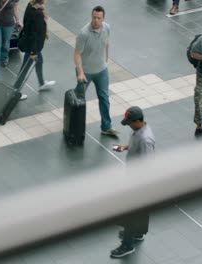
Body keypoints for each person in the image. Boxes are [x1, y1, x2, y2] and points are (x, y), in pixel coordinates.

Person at [111, 106, 155, 258]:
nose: (128, 125)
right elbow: (135, 144)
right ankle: (138, 233)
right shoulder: (138, 131)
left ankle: (127, 245)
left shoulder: (145, 139)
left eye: (130, 122)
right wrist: (125, 147)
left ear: (137, 121)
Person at [74, 6, 118, 136]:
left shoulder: (107, 28)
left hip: (101, 71)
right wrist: (80, 73)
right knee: (78, 99)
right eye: (94, 17)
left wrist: (107, 60)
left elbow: (107, 43)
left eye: (99, 18)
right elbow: (77, 55)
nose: (96, 20)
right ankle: (72, 120)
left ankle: (106, 126)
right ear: (91, 17)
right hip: (86, 72)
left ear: (103, 19)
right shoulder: (84, 34)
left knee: (104, 98)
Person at [13, 0, 56, 100]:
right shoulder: (37, 14)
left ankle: (41, 83)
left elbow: (27, 24)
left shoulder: (31, 5)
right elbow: (34, 34)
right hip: (33, 47)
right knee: (25, 68)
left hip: (32, 45)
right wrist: (33, 52)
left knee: (39, 62)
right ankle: (15, 91)